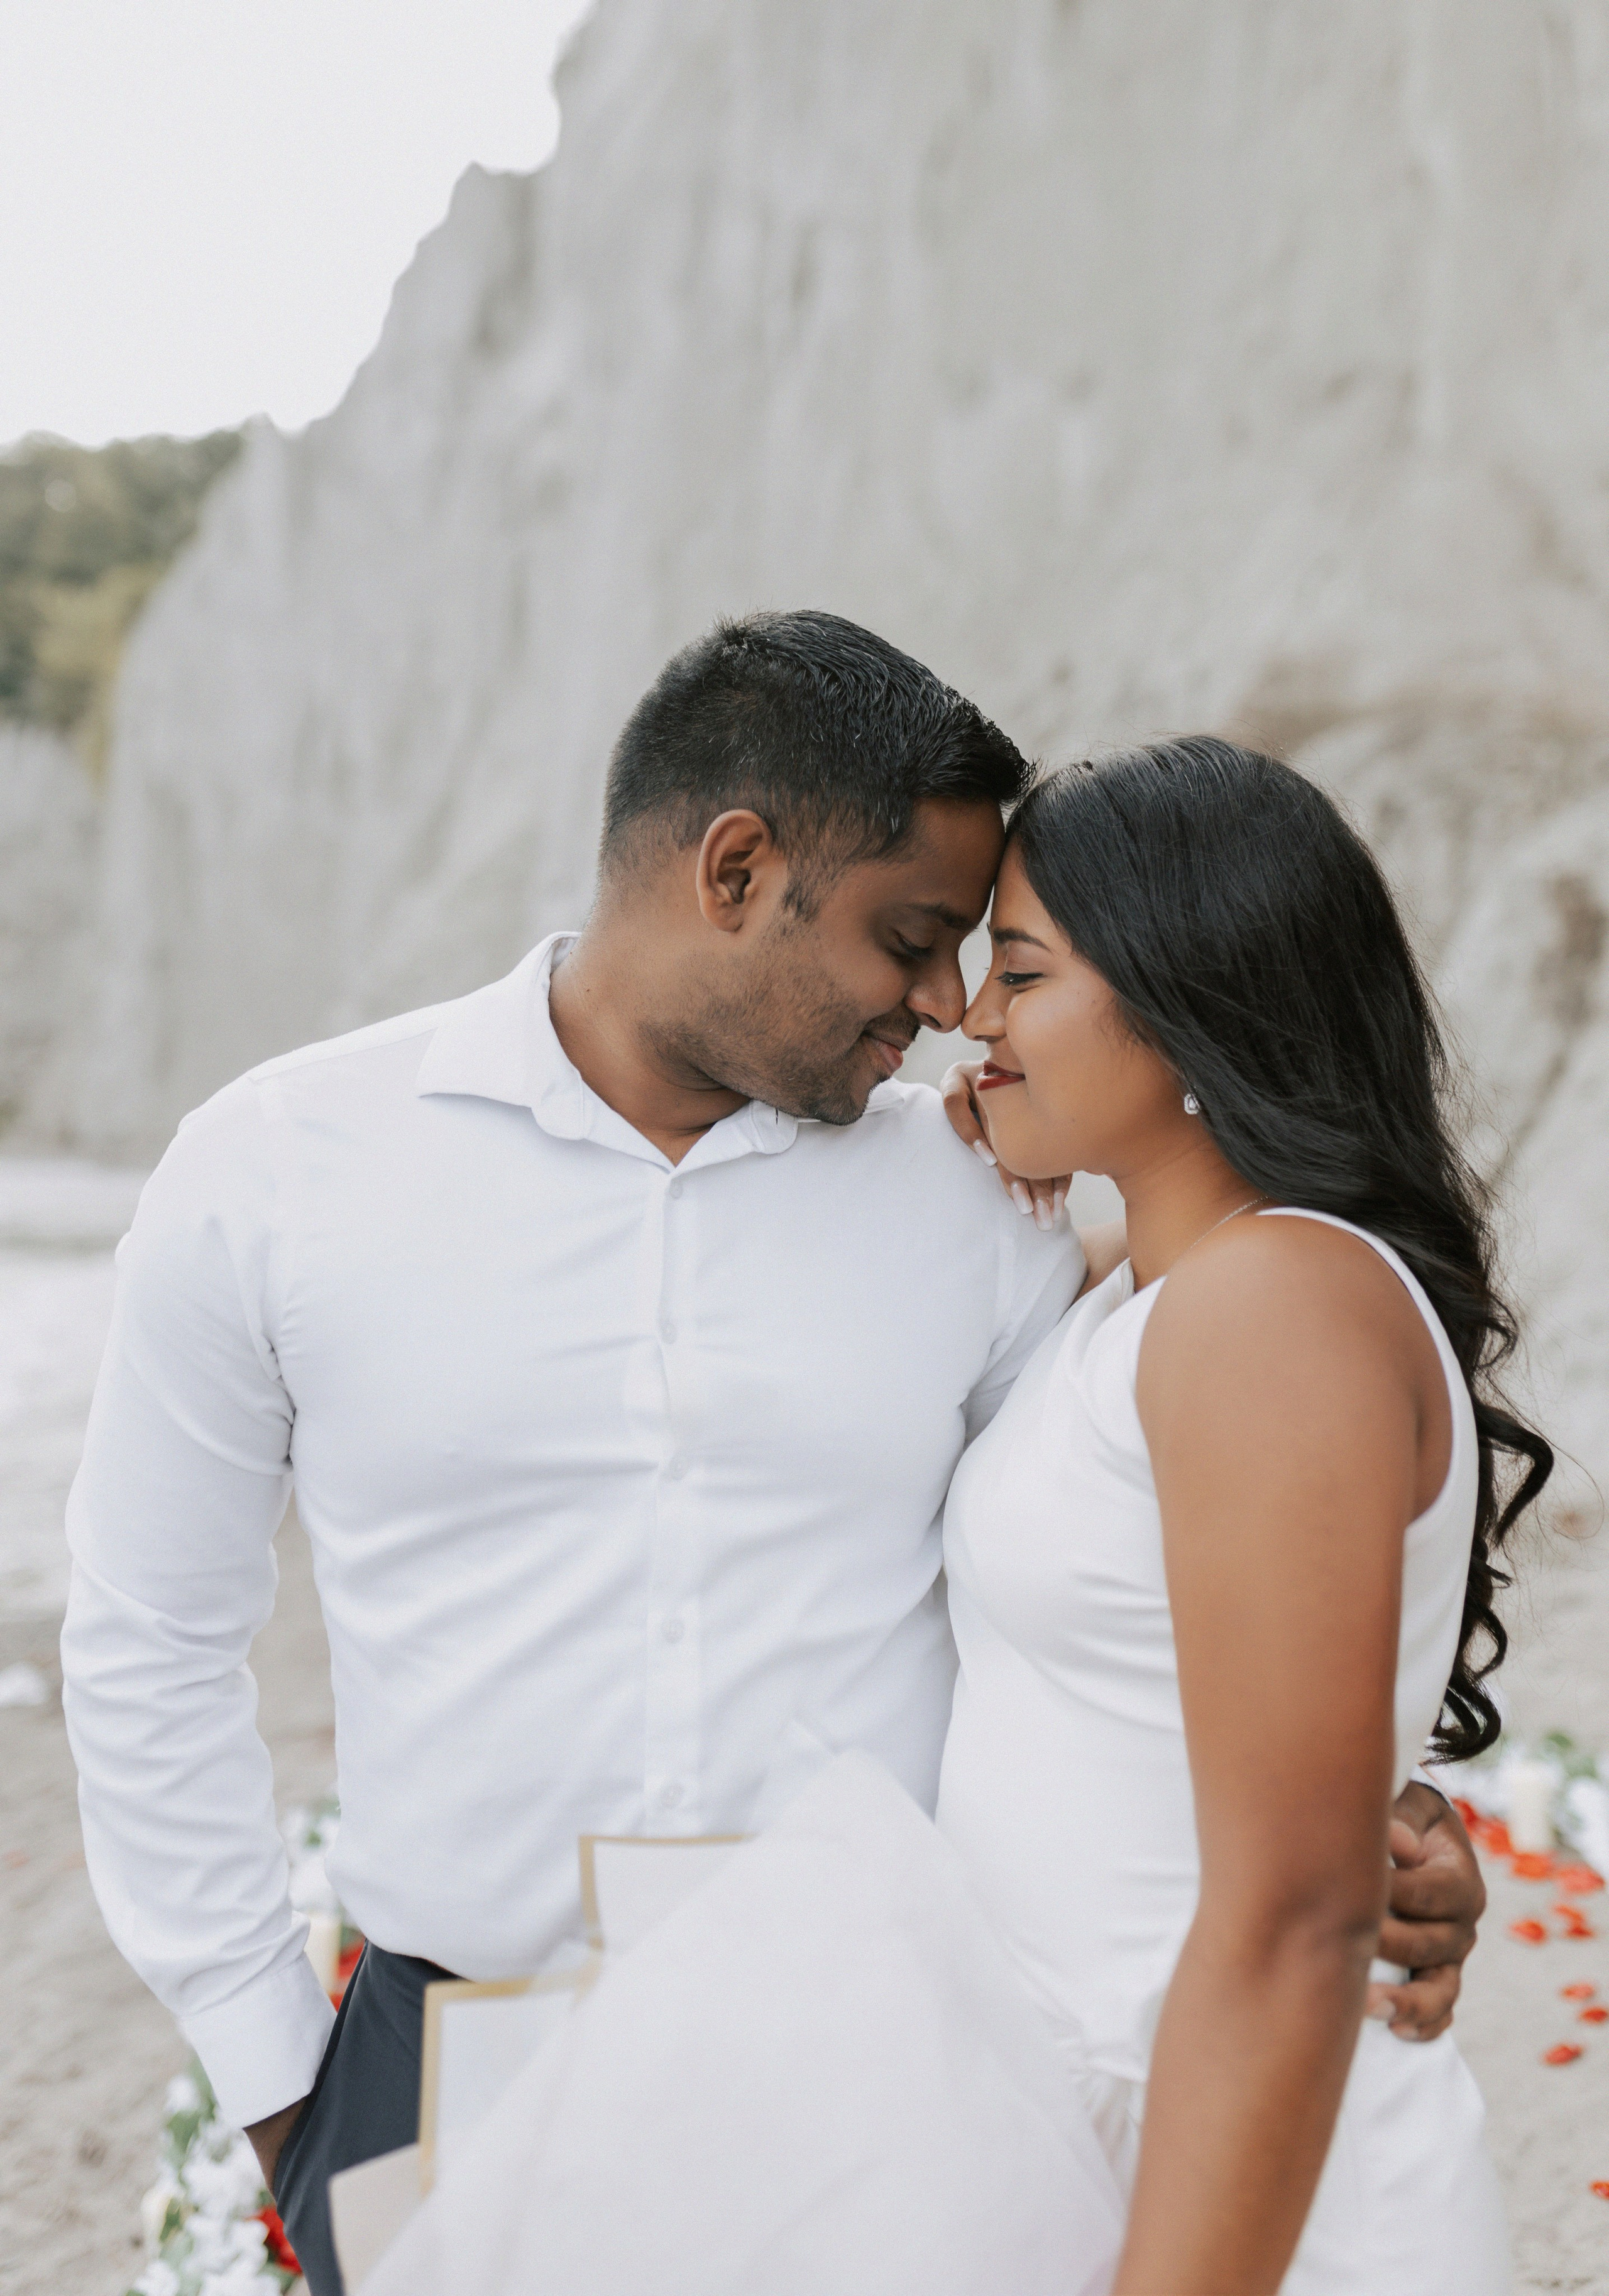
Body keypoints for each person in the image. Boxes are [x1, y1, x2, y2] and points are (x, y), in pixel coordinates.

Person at [61, 623, 1480, 2294]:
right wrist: (277, 2073)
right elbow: (149, 1632)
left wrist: (1371, 1817)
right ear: (736, 868)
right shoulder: (278, 1167)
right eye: (917, 938)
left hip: (890, 2079)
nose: (948, 1008)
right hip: (447, 2064)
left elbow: (1160, 1573)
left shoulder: (984, 1199)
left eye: (992, 961)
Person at [365, 741, 1546, 2296]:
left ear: (1190, 1004)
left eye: (1023, 975)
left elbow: (1286, 1924)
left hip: (1243, 2181)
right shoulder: (1148, 1298)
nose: (969, 1020)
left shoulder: (1273, 1311)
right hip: (1068, 2125)